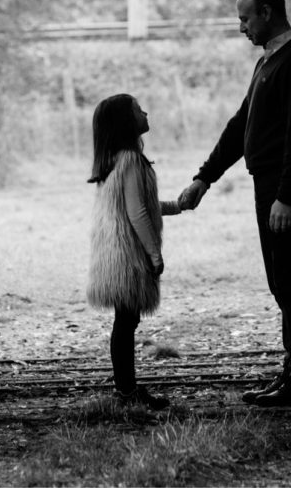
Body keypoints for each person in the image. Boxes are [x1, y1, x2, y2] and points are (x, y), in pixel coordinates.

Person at [178, 0, 291, 407]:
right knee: (282, 282)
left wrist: (288, 195)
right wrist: (204, 178)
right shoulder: (271, 61)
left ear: (266, 12)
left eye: (245, 19)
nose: (241, 27)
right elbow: (242, 126)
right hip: (271, 183)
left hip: (286, 186)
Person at [87, 93, 182, 410]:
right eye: (137, 109)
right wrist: (155, 255)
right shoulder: (129, 160)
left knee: (125, 323)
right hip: (128, 256)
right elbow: (138, 213)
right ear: (126, 122)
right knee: (126, 324)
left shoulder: (115, 160)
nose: (145, 112)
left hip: (113, 253)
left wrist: (177, 206)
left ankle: (126, 390)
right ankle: (126, 393)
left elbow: (143, 205)